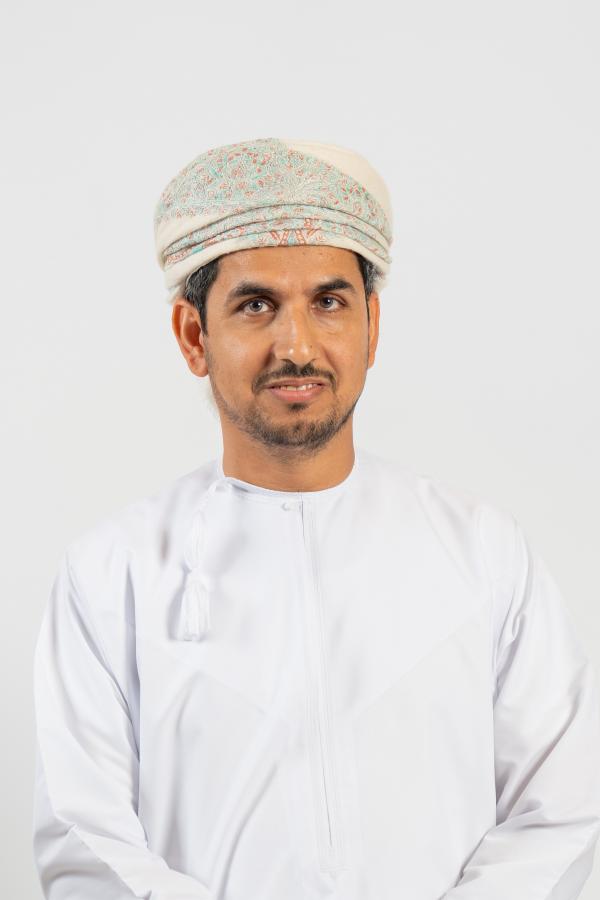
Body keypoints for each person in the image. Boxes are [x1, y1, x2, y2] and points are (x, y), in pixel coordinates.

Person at [32, 137, 600, 900]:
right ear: (195, 336)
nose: (296, 346)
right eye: (256, 305)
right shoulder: (113, 574)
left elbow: (561, 814)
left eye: (328, 303)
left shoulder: (483, 554)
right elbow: (84, 840)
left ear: (372, 325)